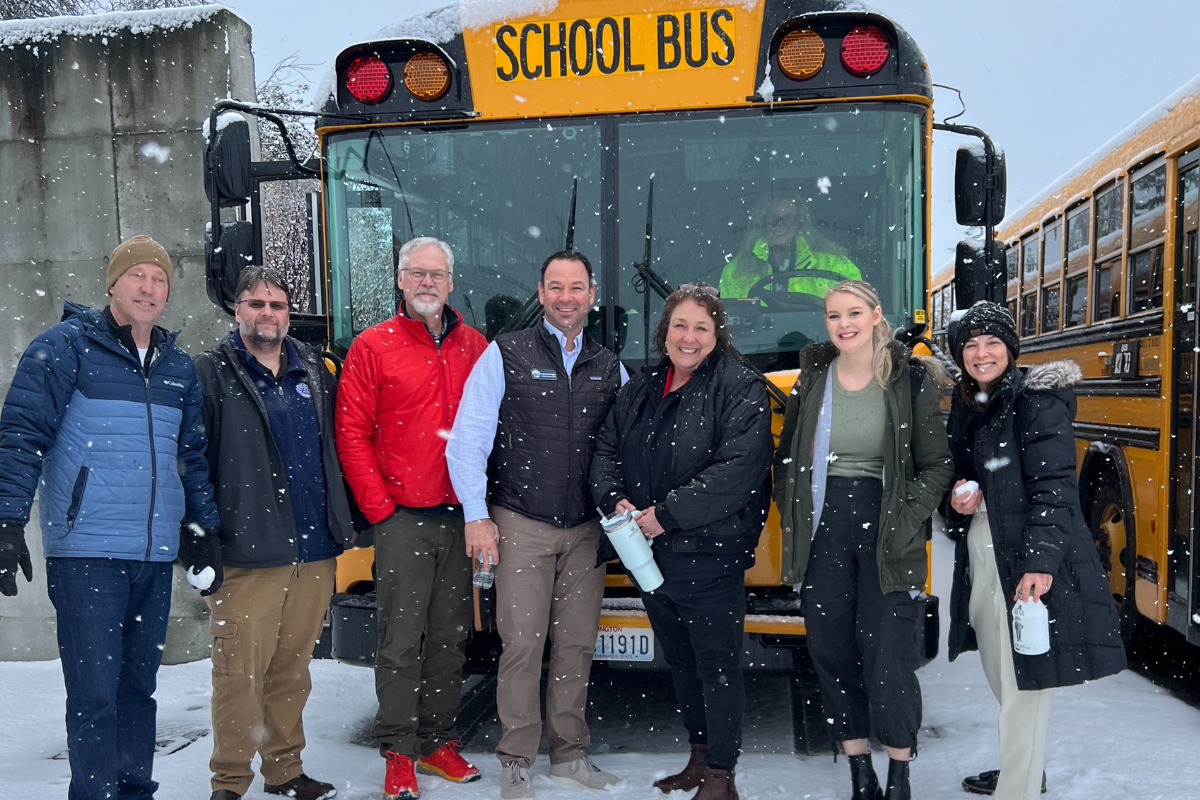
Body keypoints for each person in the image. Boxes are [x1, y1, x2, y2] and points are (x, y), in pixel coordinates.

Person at [0, 235, 222, 800]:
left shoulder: (177, 367)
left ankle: (133, 791)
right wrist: (6, 521)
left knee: (137, 692)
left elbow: (191, 456)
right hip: (87, 553)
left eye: (160, 279)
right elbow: (21, 437)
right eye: (137, 276)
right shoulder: (63, 349)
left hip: (151, 555)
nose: (149, 288)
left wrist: (202, 529)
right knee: (95, 694)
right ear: (113, 283)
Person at [446, 250, 626, 800]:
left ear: (591, 295)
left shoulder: (609, 365)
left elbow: (622, 449)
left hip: (585, 531)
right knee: (523, 644)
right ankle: (517, 758)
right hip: (519, 522)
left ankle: (570, 755)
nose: (566, 297)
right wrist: (476, 515)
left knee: (575, 645)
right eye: (555, 287)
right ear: (542, 292)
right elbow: (468, 441)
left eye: (577, 288)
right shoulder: (506, 354)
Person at [589, 282, 773, 800]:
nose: (688, 338)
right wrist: (615, 500)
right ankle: (698, 758)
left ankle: (721, 776)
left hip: (711, 558)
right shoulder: (643, 386)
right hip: (650, 557)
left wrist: (665, 515)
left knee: (716, 667)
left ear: (717, 335)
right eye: (679, 326)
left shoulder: (740, 387)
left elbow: (737, 471)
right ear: (664, 332)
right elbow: (605, 448)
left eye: (701, 327)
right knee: (682, 663)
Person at [774, 280, 953, 800]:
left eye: (854, 313)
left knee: (889, 656)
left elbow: (937, 464)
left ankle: (899, 772)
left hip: (887, 528)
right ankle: (859, 770)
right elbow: (789, 459)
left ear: (877, 316)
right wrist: (796, 512)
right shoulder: (812, 378)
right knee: (831, 651)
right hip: (824, 527)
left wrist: (904, 517)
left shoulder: (908, 379)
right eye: (833, 316)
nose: (843, 324)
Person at [942, 302, 1125, 800]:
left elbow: (1054, 488)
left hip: (1025, 553)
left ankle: (1018, 789)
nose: (982, 354)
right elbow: (960, 473)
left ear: (1011, 349)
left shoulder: (1035, 401)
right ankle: (1022, 768)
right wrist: (959, 495)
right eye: (971, 346)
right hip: (983, 548)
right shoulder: (972, 400)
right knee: (1002, 673)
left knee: (1025, 679)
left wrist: (1040, 565)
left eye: (993, 343)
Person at [194, 266, 354, 800]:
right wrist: (202, 534)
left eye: (278, 305)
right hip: (247, 553)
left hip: (312, 552)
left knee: (292, 672)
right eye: (256, 303)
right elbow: (190, 461)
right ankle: (229, 782)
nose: (268, 314)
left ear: (289, 315)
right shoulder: (209, 375)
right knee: (238, 675)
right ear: (236, 310)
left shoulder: (313, 369)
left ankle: (284, 770)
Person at [337, 237, 489, 800]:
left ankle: (438, 741)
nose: (427, 282)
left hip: (461, 518)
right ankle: (399, 750)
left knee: (451, 637)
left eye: (437, 274)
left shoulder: (476, 346)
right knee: (400, 638)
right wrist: (381, 509)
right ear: (400, 281)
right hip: (402, 518)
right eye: (416, 273)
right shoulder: (372, 347)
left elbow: (494, 427)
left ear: (451, 283)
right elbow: (352, 434)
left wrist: (483, 507)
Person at [718, 191, 860, 301]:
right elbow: (730, 323)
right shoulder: (738, 270)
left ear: (800, 223)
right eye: (773, 217)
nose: (780, 224)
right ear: (762, 221)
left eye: (788, 218)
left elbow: (855, 315)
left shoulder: (835, 266)